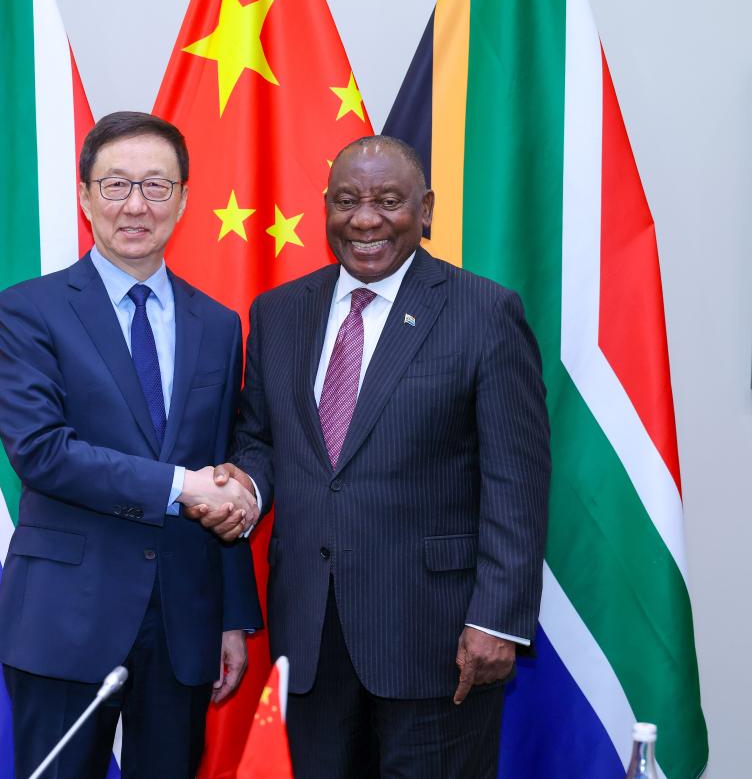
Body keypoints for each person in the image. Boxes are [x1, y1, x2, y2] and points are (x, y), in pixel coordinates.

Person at [188, 136, 551, 777]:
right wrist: (245, 488)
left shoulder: (485, 312)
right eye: (348, 200)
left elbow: (516, 482)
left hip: (437, 642)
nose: (365, 219)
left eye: (388, 201)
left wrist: (497, 620)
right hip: (310, 636)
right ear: (326, 206)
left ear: (425, 209)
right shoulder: (278, 313)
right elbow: (261, 440)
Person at [0, 111, 262, 779]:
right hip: (64, 617)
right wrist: (180, 486)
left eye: (156, 185)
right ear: (85, 197)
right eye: (115, 185)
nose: (136, 205)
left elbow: (224, 457)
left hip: (184, 623)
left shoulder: (218, 324)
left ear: (183, 200)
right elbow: (42, 451)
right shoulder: (28, 310)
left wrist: (230, 615)